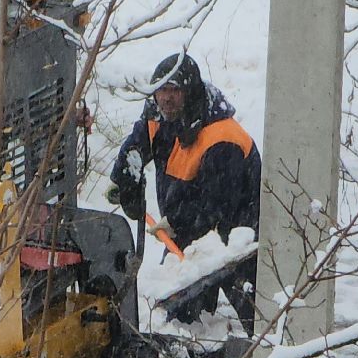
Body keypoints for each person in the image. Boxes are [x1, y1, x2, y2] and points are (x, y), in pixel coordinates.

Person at [107, 52, 261, 331]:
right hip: (188, 232)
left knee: (257, 314)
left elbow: (217, 204)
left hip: (239, 235)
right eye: (161, 90)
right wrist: (124, 180)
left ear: (189, 93)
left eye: (174, 91)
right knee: (177, 311)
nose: (166, 98)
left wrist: (176, 222)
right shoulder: (160, 116)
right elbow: (136, 146)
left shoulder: (222, 137)